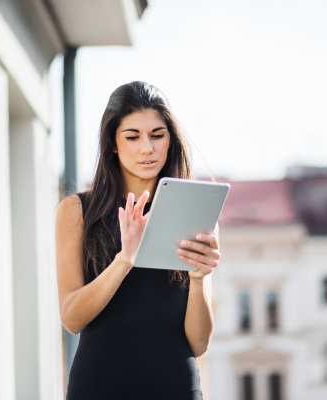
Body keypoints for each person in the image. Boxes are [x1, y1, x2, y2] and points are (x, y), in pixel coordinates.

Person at [55, 81, 220, 399]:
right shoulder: (76, 211)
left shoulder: (197, 211)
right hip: (98, 387)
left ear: (170, 140)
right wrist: (125, 260)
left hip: (175, 389)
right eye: (133, 137)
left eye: (157, 135)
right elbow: (71, 318)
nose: (148, 148)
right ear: (113, 144)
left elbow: (198, 344)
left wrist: (199, 279)